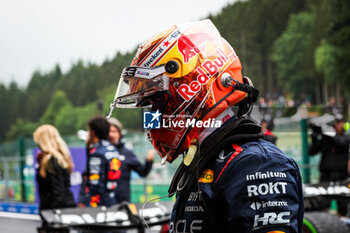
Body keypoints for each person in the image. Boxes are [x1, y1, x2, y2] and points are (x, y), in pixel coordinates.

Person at [108, 19, 304, 232]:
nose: (154, 116)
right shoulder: (206, 159)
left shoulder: (256, 164)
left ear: (191, 88)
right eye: (149, 106)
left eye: (157, 102)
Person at [308, 113, 350, 215]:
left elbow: (341, 143)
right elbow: (311, 151)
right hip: (326, 177)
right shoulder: (325, 138)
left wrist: (329, 133)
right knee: (322, 204)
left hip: (342, 177)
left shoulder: (346, 137)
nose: (336, 125)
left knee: (343, 207)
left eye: (338, 122)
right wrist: (315, 138)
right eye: (334, 123)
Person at [107, 117, 155, 203]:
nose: (111, 135)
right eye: (108, 132)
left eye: (114, 131)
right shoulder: (100, 152)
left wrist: (149, 161)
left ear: (119, 134)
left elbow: (143, 172)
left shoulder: (127, 152)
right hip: (104, 201)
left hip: (122, 201)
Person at [33, 124, 76, 211]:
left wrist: (51, 215)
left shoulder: (52, 160)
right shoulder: (61, 157)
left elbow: (58, 192)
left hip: (56, 211)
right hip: (64, 207)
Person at [84, 116, 120, 207]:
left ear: (92, 132)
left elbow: (95, 181)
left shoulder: (97, 152)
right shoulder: (113, 149)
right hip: (112, 197)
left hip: (99, 202)